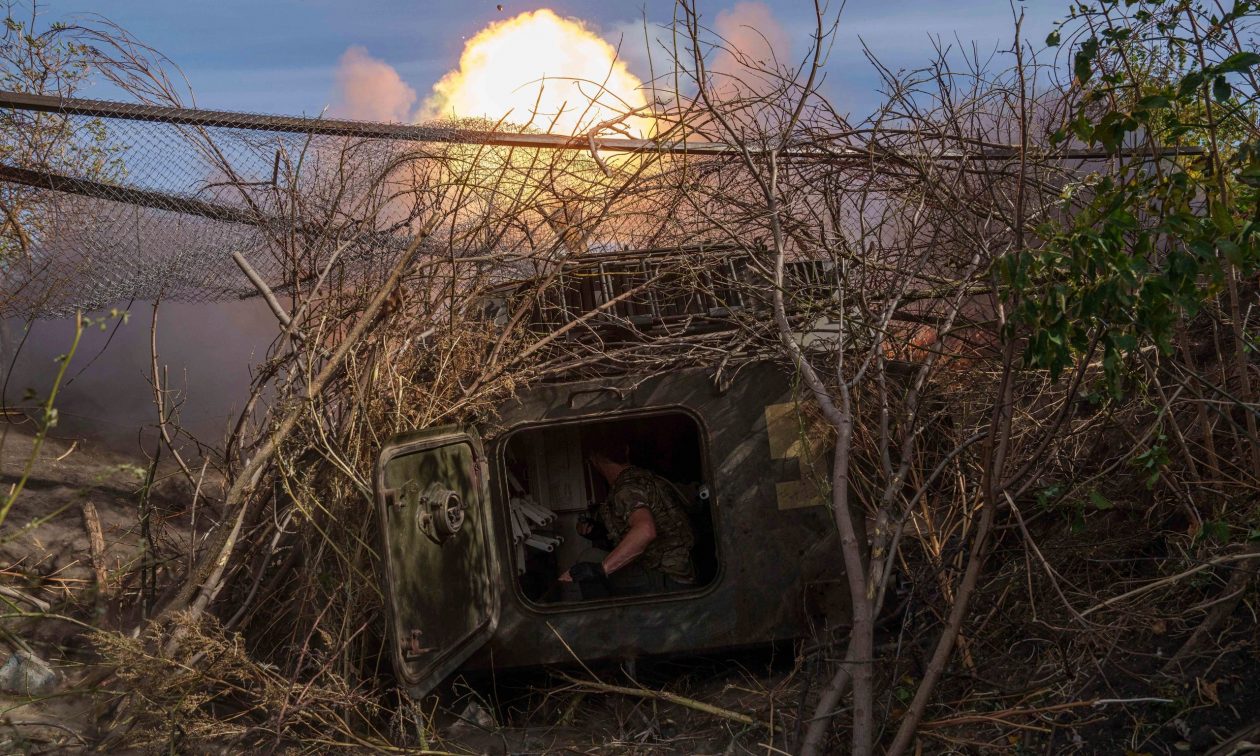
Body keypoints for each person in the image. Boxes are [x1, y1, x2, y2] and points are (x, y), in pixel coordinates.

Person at [559, 441, 696, 597]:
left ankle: (602, 620)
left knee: (589, 557)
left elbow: (645, 531)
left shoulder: (626, 487)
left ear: (594, 459)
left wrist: (601, 569)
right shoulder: (646, 477)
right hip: (681, 572)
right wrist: (601, 532)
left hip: (662, 578)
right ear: (626, 450)